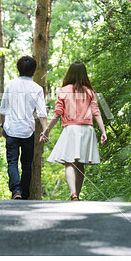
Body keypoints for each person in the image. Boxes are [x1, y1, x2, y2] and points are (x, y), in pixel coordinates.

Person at [40, 62, 107, 201]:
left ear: (69, 73)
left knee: (69, 162)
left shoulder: (64, 90)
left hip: (71, 129)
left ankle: (73, 194)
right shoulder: (90, 92)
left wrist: (46, 131)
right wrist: (103, 131)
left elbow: (57, 113)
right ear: (84, 74)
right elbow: (96, 112)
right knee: (80, 164)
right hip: (87, 129)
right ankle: (77, 195)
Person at [0, 56, 48, 200]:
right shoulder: (37, 89)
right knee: (27, 164)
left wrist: (3, 126)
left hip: (12, 130)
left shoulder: (10, 85)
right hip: (28, 131)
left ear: (18, 68)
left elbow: (3, 109)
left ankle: (16, 191)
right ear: (33, 70)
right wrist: (45, 130)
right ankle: (24, 195)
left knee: (12, 161)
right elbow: (42, 113)